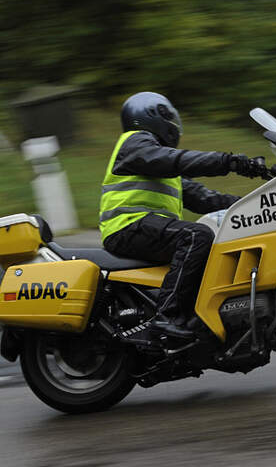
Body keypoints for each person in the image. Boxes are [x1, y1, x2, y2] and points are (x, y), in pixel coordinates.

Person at [100, 92, 266, 339]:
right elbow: (176, 159)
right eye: (168, 117)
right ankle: (166, 317)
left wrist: (259, 203)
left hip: (144, 228)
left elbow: (204, 198)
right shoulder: (135, 143)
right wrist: (229, 162)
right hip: (126, 228)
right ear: (152, 117)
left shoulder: (160, 165)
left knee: (212, 241)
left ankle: (199, 318)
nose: (173, 125)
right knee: (196, 235)